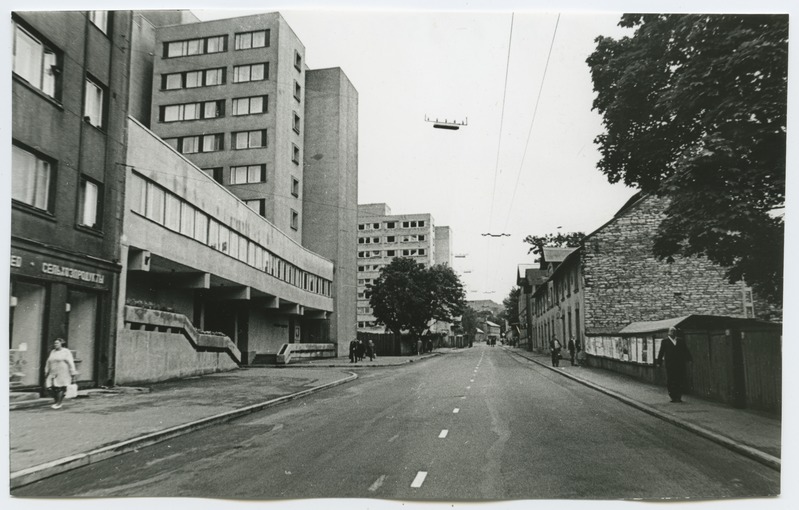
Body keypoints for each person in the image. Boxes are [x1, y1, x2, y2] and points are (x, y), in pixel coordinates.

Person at [656, 326, 693, 403]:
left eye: (674, 331)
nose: (673, 332)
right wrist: (659, 362)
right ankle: (673, 396)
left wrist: (689, 359)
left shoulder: (680, 341)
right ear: (669, 333)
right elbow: (661, 352)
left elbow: (685, 350)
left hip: (680, 364)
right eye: (671, 331)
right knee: (671, 380)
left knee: (679, 380)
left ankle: (678, 397)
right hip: (670, 365)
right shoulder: (665, 341)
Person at [44, 338, 77, 410]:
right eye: (55, 343)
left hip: (63, 372)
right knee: (49, 387)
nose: (55, 344)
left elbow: (70, 362)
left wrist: (73, 372)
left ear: (61, 344)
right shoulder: (53, 351)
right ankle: (57, 401)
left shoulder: (66, 351)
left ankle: (58, 403)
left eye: (57, 343)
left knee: (60, 387)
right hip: (53, 372)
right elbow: (48, 362)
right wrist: (46, 370)